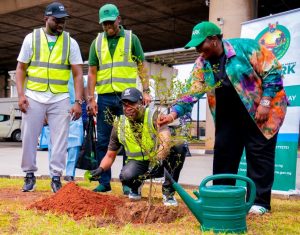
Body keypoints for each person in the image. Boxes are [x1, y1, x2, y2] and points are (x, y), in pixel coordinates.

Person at [157, 21, 288, 215]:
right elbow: (192, 92)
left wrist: (265, 102)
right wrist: (173, 113)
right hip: (228, 116)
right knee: (224, 155)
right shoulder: (201, 63)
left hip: (261, 113)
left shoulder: (245, 47)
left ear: (214, 39)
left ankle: (259, 203)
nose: (198, 49)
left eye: (201, 44)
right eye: (196, 46)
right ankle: (222, 197)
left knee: (259, 156)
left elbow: (274, 72)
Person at [16, 2, 83, 193]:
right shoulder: (32, 38)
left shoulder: (71, 42)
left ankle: (56, 177)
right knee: (29, 137)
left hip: (60, 97)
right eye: (57, 20)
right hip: (33, 97)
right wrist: (21, 95)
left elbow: (78, 74)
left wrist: (77, 102)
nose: (61, 24)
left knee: (60, 139)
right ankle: (29, 175)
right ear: (46, 19)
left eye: (63, 20)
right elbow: (21, 69)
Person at [87, 3, 151, 193]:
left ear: (119, 20)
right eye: (104, 24)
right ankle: (104, 182)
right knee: (103, 141)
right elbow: (91, 73)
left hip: (127, 99)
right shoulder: (96, 42)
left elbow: (141, 66)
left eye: (110, 23)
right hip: (105, 98)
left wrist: (146, 90)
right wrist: (91, 98)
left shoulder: (132, 39)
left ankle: (127, 182)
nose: (107, 27)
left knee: (129, 139)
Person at [90, 88, 187, 206]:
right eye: (125, 105)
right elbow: (110, 155)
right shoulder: (120, 124)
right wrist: (101, 169)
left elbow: (165, 140)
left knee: (179, 146)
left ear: (141, 103)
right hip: (138, 165)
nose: (128, 107)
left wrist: (157, 159)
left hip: (158, 162)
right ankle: (135, 186)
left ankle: (168, 192)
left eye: (132, 103)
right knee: (125, 176)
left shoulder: (153, 115)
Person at [47, 76, 84, 182]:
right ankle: (54, 175)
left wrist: (88, 102)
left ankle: (70, 174)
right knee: (53, 144)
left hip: (73, 108)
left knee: (75, 142)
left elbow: (83, 86)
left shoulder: (75, 71)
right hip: (53, 109)